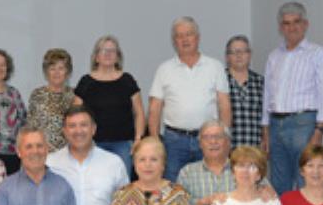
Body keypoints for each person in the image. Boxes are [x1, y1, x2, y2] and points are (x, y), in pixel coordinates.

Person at [260, 2, 323, 193]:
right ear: (280, 27)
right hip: (276, 125)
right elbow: (267, 94)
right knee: (278, 184)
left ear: (305, 24)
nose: (291, 27)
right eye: (286, 23)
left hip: (304, 124)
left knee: (307, 179)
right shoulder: (273, 57)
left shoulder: (318, 54)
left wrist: (320, 130)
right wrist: (265, 130)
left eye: (296, 22)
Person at [147, 16, 232, 180]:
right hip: (174, 142)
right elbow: (154, 108)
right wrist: (155, 141)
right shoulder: (164, 69)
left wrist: (225, 137)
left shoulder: (215, 67)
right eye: (179, 36)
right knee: (172, 187)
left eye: (189, 34)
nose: (184, 39)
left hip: (209, 140)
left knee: (209, 183)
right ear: (174, 41)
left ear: (197, 38)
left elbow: (224, 105)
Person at [73, 34, 144, 174]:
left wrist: (138, 139)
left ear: (118, 56)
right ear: (96, 56)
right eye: (103, 50)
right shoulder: (86, 82)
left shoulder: (127, 80)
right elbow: (75, 115)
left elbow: (140, 113)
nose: (108, 54)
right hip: (93, 144)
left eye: (112, 50)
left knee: (122, 190)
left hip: (123, 145)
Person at [26, 48, 76, 152]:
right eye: (52, 68)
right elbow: (31, 127)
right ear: (46, 71)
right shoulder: (37, 95)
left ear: (68, 71)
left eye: (61, 68)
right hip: (41, 154)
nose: (56, 72)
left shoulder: (75, 96)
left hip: (68, 155)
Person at [224, 35, 264, 149]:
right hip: (226, 151)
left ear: (250, 55)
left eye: (243, 51)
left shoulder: (261, 82)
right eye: (234, 52)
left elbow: (266, 117)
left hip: (254, 150)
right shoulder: (219, 81)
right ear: (227, 57)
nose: (239, 55)